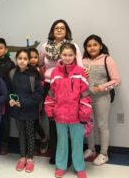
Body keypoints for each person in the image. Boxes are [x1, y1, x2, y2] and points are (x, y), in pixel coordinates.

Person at [45, 43, 92, 178]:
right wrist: (50, 110)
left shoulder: (80, 71)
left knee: (77, 143)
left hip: (77, 116)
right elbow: (51, 94)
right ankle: (61, 166)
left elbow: (85, 94)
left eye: (70, 55)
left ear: (74, 55)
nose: (67, 57)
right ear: (60, 55)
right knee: (62, 142)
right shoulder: (55, 72)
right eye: (64, 55)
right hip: (59, 115)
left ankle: (80, 167)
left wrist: (84, 113)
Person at [39, 19, 83, 164]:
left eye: (62, 28)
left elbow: (80, 68)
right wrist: (45, 77)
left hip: (69, 87)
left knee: (70, 122)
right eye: (56, 28)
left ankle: (70, 157)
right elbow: (40, 64)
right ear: (52, 30)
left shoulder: (73, 46)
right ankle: (56, 156)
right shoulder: (45, 46)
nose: (58, 30)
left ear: (66, 31)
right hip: (49, 86)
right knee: (53, 121)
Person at [82, 34, 121, 166]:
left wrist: (101, 87)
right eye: (89, 45)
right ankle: (91, 150)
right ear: (85, 48)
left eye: (95, 45)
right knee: (89, 125)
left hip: (102, 98)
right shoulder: (83, 60)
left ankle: (104, 154)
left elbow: (117, 81)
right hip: (86, 98)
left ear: (100, 46)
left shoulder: (107, 59)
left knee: (102, 125)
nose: (92, 48)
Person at [8, 49, 43, 173]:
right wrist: (10, 100)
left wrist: (23, 103)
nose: (22, 61)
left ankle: (30, 159)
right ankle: (22, 157)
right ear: (16, 59)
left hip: (30, 110)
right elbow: (9, 90)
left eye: (25, 59)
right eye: (19, 58)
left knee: (30, 134)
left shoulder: (34, 75)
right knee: (21, 133)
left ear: (28, 61)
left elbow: (39, 95)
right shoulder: (12, 73)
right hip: (17, 111)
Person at [0, 38, 15, 155]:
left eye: (1, 48)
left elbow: (10, 82)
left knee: (4, 121)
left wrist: (4, 95)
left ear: (6, 50)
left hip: (4, 97)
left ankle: (4, 144)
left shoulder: (10, 64)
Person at [28, 48, 48, 153]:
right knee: (28, 124)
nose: (33, 60)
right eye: (30, 57)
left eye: (35, 57)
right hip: (26, 101)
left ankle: (44, 139)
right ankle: (31, 145)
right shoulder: (23, 69)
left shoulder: (41, 69)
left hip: (37, 101)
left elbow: (44, 84)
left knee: (35, 122)